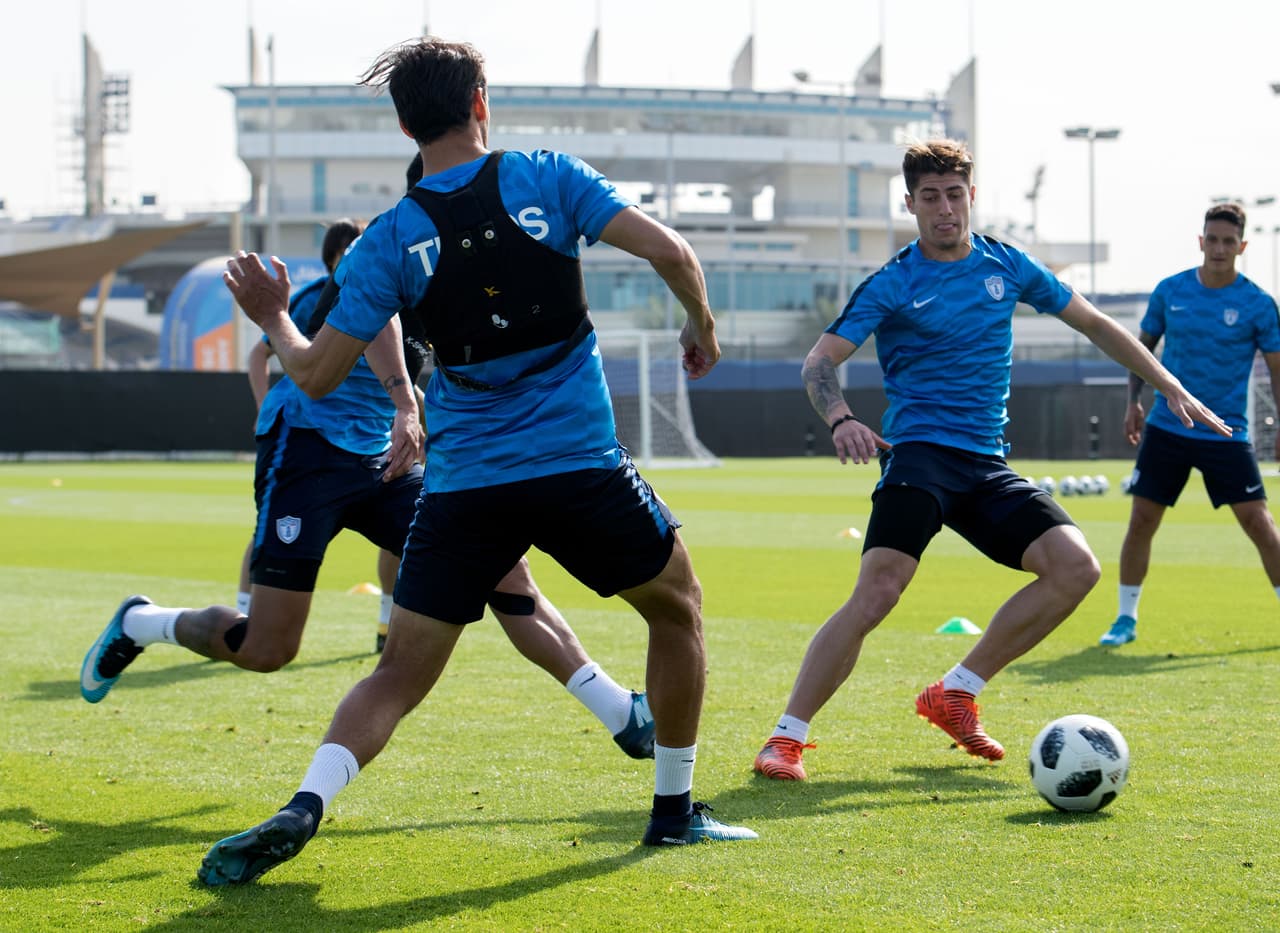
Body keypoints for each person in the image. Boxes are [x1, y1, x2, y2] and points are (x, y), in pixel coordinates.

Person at [202, 37, 755, 885]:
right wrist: (701, 328)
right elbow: (674, 253)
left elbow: (310, 374)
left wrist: (275, 315)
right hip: (580, 468)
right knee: (676, 607)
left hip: (466, 489)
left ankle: (303, 804)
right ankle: (674, 814)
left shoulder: (388, 240)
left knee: (398, 672)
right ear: (481, 103)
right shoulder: (547, 175)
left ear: (402, 124)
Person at [80, 208, 656, 762]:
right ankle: (141, 622)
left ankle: (619, 713)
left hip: (381, 458)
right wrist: (401, 404)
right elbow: (371, 319)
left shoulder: (475, 256)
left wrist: (430, 420)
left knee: (503, 570)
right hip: (308, 454)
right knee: (267, 649)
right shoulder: (398, 240)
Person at [751, 138, 1230, 781]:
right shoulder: (893, 281)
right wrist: (840, 417)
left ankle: (956, 691)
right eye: (930, 198)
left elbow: (1094, 323)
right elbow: (820, 361)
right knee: (878, 593)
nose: (944, 208)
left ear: (971, 196)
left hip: (986, 465)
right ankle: (785, 738)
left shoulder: (1008, 264)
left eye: (954, 194)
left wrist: (1167, 383)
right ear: (910, 204)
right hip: (920, 455)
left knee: (1075, 569)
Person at [1099, 202, 1280, 646]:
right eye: (1212, 240)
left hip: (1225, 431)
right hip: (1168, 426)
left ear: (1242, 246)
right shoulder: (1170, 291)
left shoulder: (1258, 304)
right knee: (1142, 519)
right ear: (1201, 241)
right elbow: (1139, 351)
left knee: (1258, 522)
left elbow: (1277, 371)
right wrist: (1132, 404)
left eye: (1228, 242)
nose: (1219, 249)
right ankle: (1125, 619)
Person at [237, 219, 400, 653]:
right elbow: (267, 351)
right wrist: (261, 408)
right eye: (346, 252)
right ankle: (234, 615)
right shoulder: (316, 299)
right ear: (332, 259)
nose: (355, 258)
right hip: (309, 441)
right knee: (267, 647)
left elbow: (399, 366)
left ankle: (389, 627)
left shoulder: (411, 288)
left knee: (450, 542)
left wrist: (412, 409)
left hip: (376, 446)